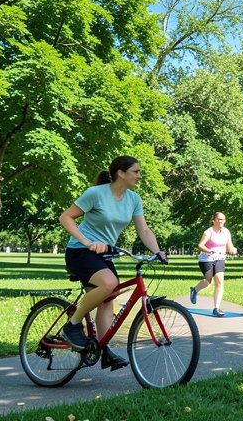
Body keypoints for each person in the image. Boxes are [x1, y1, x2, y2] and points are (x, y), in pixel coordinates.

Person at [59, 156, 167, 371]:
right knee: (109, 283)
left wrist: (157, 251)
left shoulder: (134, 199)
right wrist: (88, 242)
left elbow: (143, 230)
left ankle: (103, 348)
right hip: (80, 251)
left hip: (105, 255)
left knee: (108, 298)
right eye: (136, 172)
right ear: (121, 173)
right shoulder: (96, 194)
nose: (140, 176)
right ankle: (72, 326)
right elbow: (66, 217)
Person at [189, 212, 237, 316]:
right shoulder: (208, 232)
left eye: (223, 219)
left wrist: (233, 250)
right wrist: (209, 251)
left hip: (220, 258)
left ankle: (216, 308)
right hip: (206, 259)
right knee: (207, 281)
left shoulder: (226, 232)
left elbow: (229, 246)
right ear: (214, 220)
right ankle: (195, 290)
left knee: (219, 282)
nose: (222, 222)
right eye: (219, 219)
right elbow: (200, 245)